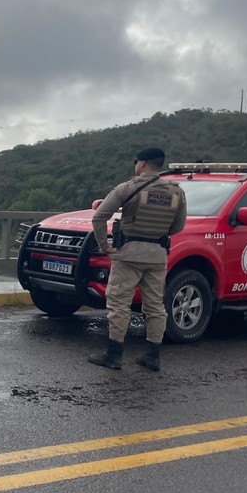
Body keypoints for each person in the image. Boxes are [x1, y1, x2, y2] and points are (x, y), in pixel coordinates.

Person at [88, 147, 187, 371]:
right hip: (157, 256)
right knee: (155, 306)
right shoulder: (177, 192)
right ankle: (153, 357)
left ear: (142, 163)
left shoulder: (128, 187)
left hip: (129, 255)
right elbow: (179, 226)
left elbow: (99, 217)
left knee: (119, 304)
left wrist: (105, 246)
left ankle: (114, 355)